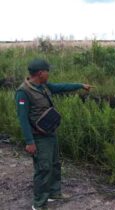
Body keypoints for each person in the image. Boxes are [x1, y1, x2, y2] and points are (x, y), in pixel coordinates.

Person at [15, 58, 93, 210]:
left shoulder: (43, 86)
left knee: (55, 164)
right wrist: (29, 141)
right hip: (38, 137)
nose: (49, 74)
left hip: (49, 132)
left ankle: (53, 193)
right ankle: (39, 204)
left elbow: (60, 87)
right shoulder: (23, 92)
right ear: (40, 73)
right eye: (47, 71)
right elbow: (22, 118)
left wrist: (80, 85)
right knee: (43, 168)